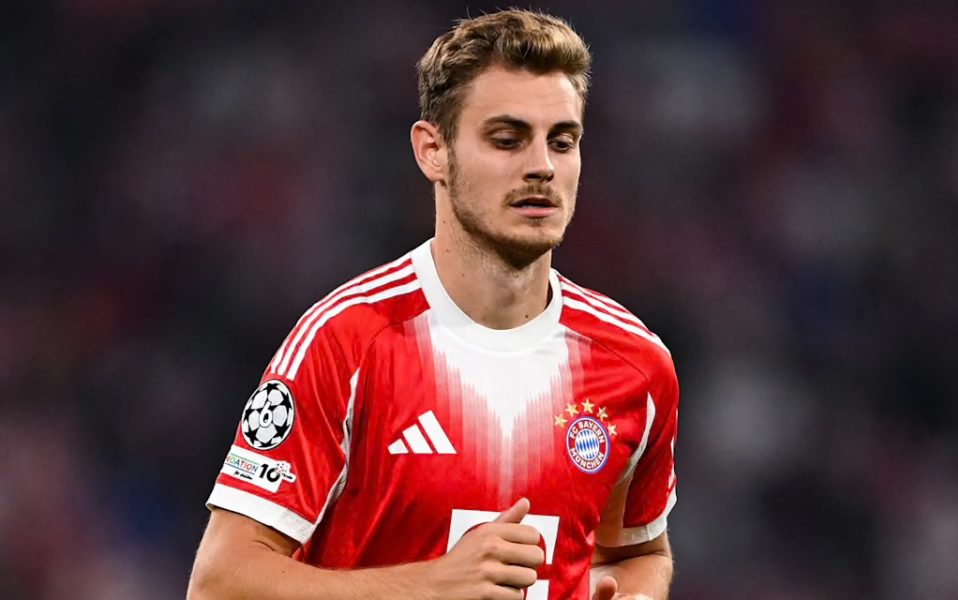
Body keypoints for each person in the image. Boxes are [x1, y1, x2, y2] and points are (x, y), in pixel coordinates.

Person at [187, 9, 678, 600]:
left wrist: (632, 594)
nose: (542, 167)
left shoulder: (635, 364)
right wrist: (430, 586)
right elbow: (219, 582)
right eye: (507, 140)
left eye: (562, 142)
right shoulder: (347, 341)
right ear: (433, 151)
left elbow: (638, 552)